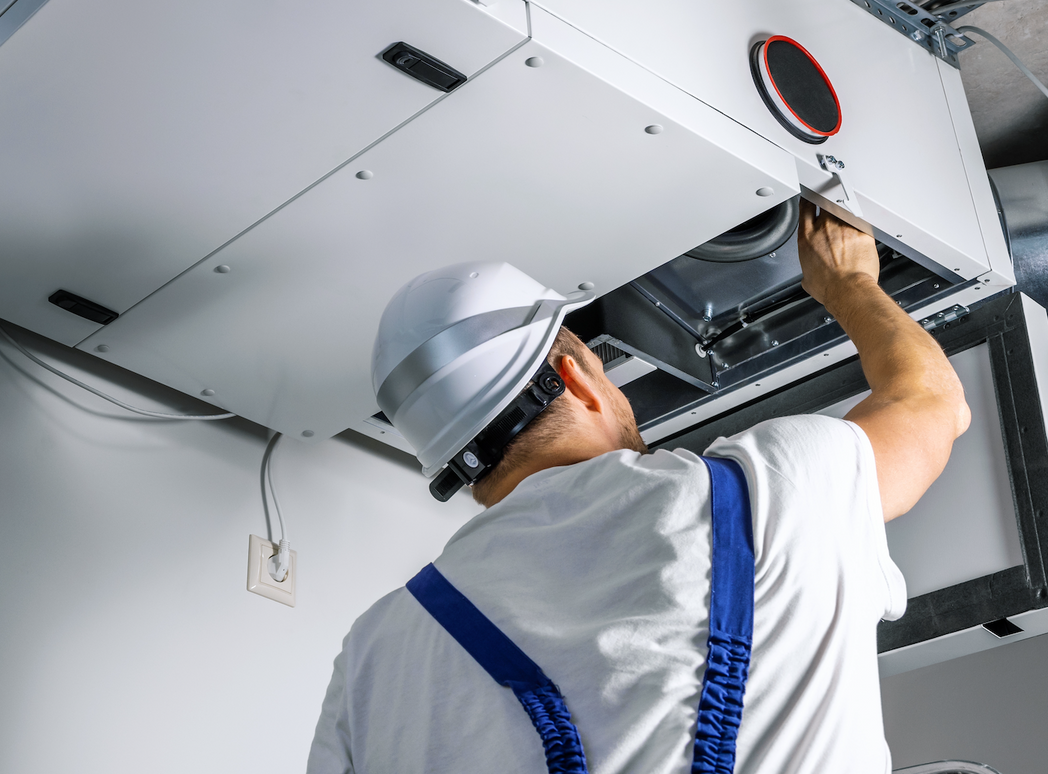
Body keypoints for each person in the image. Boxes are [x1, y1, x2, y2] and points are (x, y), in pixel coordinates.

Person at [310, 202, 971, 773]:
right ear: (574, 375)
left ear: (455, 463)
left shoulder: (371, 654)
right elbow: (932, 403)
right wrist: (850, 280)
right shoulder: (764, 491)